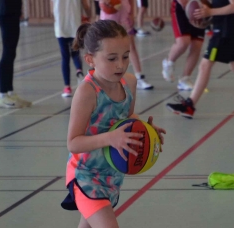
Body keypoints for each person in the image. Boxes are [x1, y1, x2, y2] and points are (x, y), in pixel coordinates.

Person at [61, 20, 166, 228]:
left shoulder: (129, 84)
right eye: (111, 58)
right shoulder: (87, 92)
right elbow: (73, 143)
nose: (120, 64)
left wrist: (145, 129)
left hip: (111, 174)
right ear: (90, 59)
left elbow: (125, 118)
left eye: (125, 56)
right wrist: (111, 138)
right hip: (85, 174)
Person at [166, 0, 234, 118]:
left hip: (223, 33)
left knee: (205, 65)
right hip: (224, 31)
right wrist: (205, 20)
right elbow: (220, 8)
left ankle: (189, 106)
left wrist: (210, 11)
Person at [100, 0, 154, 90]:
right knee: (107, 48)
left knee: (131, 46)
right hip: (109, 16)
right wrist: (106, 4)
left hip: (124, 14)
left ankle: (139, 77)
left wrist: (131, 13)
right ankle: (104, 78)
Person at [162, 0, 206, 91]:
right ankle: (168, 63)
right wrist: (188, 8)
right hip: (181, 7)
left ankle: (185, 79)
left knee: (197, 45)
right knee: (183, 42)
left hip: (199, 6)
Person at [50, 0, 91, 97]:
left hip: (61, 25)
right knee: (75, 52)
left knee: (65, 56)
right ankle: (79, 70)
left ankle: (67, 87)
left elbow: (52, 9)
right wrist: (88, 16)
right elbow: (86, 6)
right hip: (74, 23)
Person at [0, 0, 31, 108]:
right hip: (6, 12)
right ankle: (2, 94)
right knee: (7, 52)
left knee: (11, 53)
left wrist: (19, 9)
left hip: (14, 12)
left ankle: (10, 92)